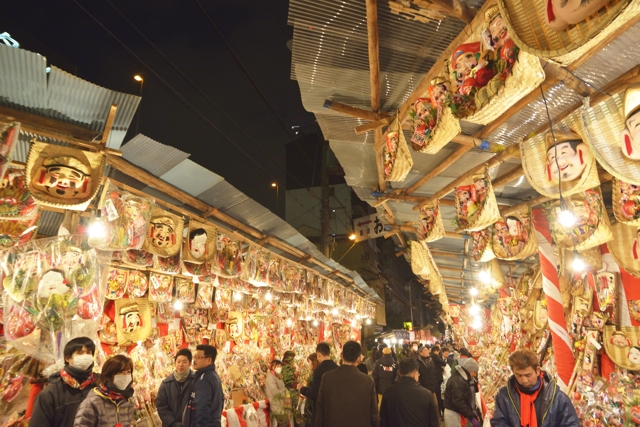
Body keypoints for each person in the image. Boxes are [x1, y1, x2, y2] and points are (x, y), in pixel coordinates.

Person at [491, 349, 580, 427]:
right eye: (518, 375)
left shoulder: (558, 398)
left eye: (528, 375)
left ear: (537, 371)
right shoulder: (504, 395)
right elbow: (498, 422)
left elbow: (571, 424)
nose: (524, 380)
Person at [30, 337, 97, 427]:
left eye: (89, 353)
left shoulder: (100, 385)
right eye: (80, 353)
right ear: (67, 359)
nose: (85, 356)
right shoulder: (51, 393)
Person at [315, 341, 378, 427]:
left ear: (341, 355)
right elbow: (374, 415)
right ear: (358, 359)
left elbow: (320, 412)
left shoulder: (327, 378)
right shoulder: (368, 381)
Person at [73, 354, 135, 427]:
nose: (125, 376)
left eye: (128, 372)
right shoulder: (93, 402)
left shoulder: (127, 401)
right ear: (109, 375)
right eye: (121, 372)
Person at [380, 358, 439, 427]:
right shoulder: (426, 394)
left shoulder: (388, 392)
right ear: (415, 374)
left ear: (399, 374)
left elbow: (383, 420)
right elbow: (433, 422)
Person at [298, 342, 338, 427]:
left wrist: (302, 389)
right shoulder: (337, 368)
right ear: (329, 353)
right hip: (335, 409)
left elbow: (314, 394)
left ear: (318, 354)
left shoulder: (318, 370)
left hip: (322, 410)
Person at [183, 344, 223, 427]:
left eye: (199, 357)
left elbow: (202, 407)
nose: (195, 360)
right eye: (195, 356)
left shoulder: (204, 379)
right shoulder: (212, 375)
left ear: (209, 360)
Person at [157, 348, 196, 427]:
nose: (181, 364)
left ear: (190, 363)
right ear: (175, 363)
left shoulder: (196, 382)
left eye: (184, 362)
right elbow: (161, 406)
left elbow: (201, 405)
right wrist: (174, 424)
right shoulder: (166, 384)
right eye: (178, 361)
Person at [444, 357, 480, 427]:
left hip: (456, 412)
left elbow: (463, 398)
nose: (475, 375)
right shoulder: (458, 380)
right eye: (474, 372)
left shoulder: (462, 378)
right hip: (452, 414)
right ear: (470, 370)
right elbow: (458, 401)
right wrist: (470, 416)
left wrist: (470, 411)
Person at [265, 360, 288, 427]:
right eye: (278, 366)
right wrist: (285, 392)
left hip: (281, 405)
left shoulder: (277, 376)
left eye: (280, 366)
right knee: (283, 424)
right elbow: (275, 392)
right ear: (273, 367)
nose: (279, 368)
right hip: (276, 406)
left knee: (283, 423)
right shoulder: (270, 378)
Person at [301, 354, 319, 426]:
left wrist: (302, 389)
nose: (308, 365)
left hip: (311, 406)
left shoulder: (314, 375)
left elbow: (312, 392)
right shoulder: (316, 373)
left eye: (309, 362)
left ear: (313, 362)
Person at [431, 346, 448, 419]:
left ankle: (439, 413)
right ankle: (441, 413)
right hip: (438, 379)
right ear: (437, 351)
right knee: (439, 397)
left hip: (434, 378)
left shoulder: (430, 357)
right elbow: (443, 363)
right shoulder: (435, 356)